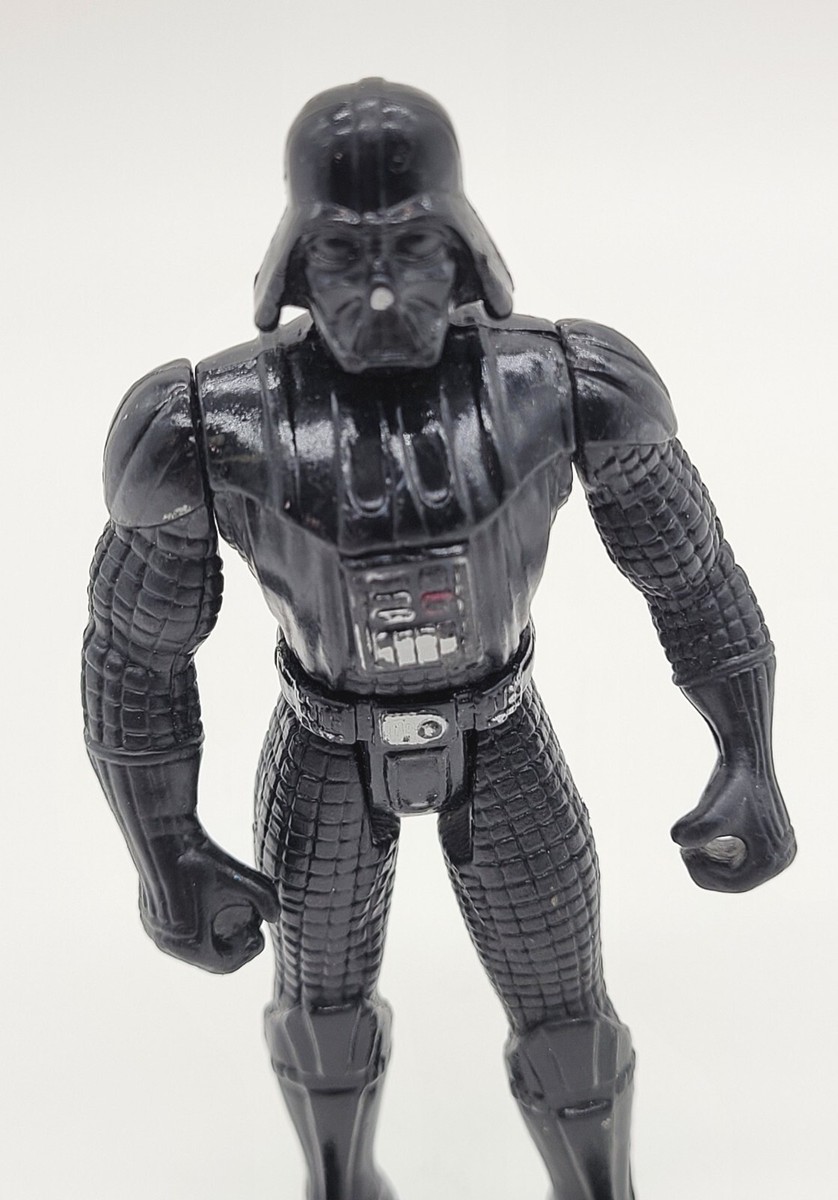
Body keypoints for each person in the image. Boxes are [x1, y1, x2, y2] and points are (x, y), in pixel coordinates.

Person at [82, 78, 795, 1200]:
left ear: (463, 251)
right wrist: (161, 846)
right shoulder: (204, 426)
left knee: (566, 1013)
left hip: (500, 732)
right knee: (318, 1014)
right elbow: (135, 655)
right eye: (342, 254)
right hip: (324, 743)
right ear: (292, 266)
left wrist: (748, 754)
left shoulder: (564, 385)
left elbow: (692, 575)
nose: (378, 290)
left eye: (411, 248)